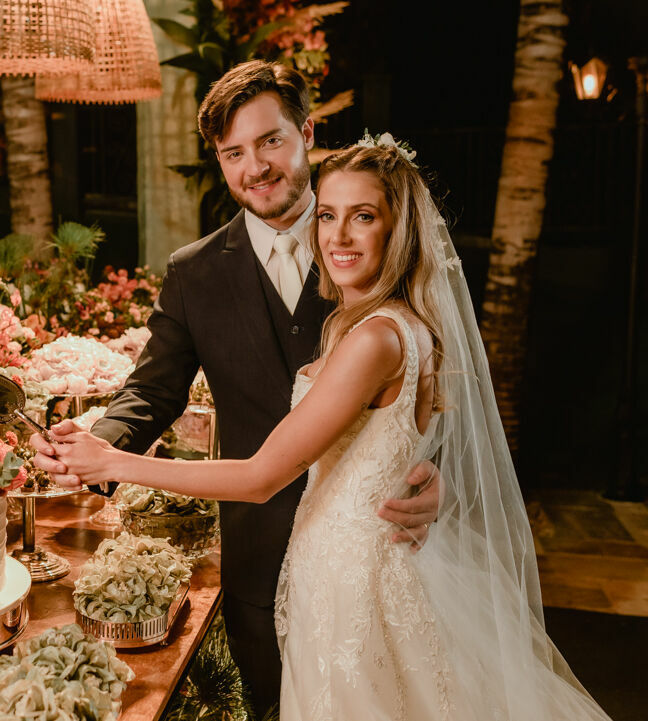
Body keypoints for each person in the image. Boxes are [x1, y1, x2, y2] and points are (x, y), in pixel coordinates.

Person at [45, 137, 613, 720]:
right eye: (329, 217)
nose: (338, 237)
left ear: (399, 232)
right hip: (345, 566)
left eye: (363, 217)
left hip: (355, 583)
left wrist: (112, 462)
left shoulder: (373, 338)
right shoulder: (382, 323)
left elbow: (263, 476)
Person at [31, 60, 438, 715]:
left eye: (271, 141)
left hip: (377, 550)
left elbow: (430, 383)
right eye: (233, 153)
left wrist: (429, 469)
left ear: (307, 131)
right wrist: (95, 442)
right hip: (259, 555)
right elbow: (152, 390)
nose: (256, 167)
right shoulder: (194, 274)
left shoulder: (371, 242)